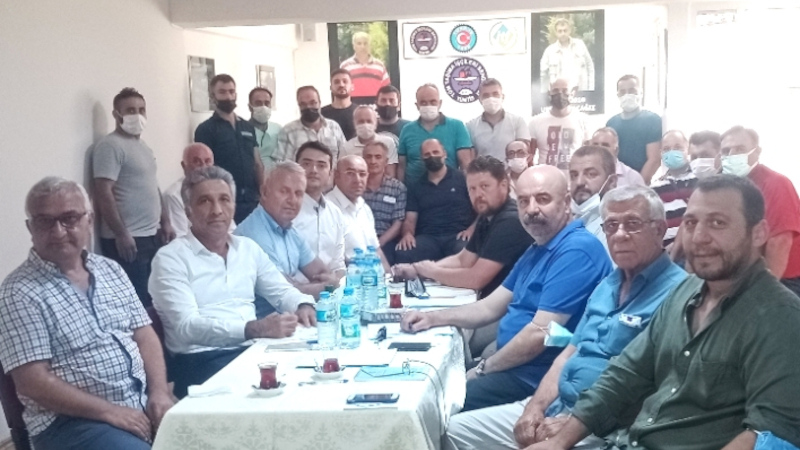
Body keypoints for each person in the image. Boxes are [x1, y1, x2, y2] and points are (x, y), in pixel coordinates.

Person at [523, 175, 800, 450]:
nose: (699, 237)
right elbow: (625, 374)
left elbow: (771, 430)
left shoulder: (779, 318)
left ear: (758, 233)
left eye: (718, 223)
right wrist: (558, 443)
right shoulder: (685, 291)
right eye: (691, 223)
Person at [445, 186, 687, 450]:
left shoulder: (678, 294)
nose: (619, 234)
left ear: (660, 229)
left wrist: (574, 425)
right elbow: (567, 354)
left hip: (603, 427)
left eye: (632, 224)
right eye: (611, 225)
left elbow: (662, 389)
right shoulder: (607, 286)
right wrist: (534, 408)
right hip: (556, 404)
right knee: (453, 431)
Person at [401, 165, 612, 412]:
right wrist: (431, 318)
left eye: (542, 199)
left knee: (431, 406)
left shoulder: (576, 250)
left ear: (566, 203)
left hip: (535, 379)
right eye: (523, 201)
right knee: (427, 382)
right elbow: (489, 307)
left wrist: (483, 369)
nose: (531, 209)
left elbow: (540, 334)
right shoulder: (538, 249)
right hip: (514, 368)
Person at [0, 177, 173, 450]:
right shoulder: (19, 292)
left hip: (138, 403)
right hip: (71, 423)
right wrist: (110, 412)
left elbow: (144, 334)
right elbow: (33, 382)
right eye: (45, 221)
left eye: (69, 218)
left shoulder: (110, 270)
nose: (58, 231)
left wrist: (159, 392)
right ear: (30, 228)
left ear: (88, 221)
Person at [149, 167, 317, 398]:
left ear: (234, 206)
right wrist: (253, 329)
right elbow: (186, 327)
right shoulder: (170, 258)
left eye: (224, 200)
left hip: (252, 351)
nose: (217, 210)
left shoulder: (247, 248)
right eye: (205, 201)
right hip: (202, 360)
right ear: (188, 211)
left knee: (313, 377)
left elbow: (281, 290)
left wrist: (303, 305)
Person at [394, 156, 534, 357]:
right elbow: (463, 259)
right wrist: (419, 270)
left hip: (508, 311)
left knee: (444, 340)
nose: (478, 194)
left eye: (485, 186)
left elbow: (475, 279)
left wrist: (431, 272)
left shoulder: (509, 221)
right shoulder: (487, 217)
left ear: (504, 185)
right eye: (472, 189)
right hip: (488, 303)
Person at [93, 87, 174, 306]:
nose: (137, 115)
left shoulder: (143, 146)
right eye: (130, 110)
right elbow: (103, 191)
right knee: (137, 303)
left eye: (141, 109)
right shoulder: (110, 146)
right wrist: (121, 233)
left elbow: (153, 186)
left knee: (155, 298)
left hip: (151, 235)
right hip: (129, 239)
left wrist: (165, 221)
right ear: (116, 114)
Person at [235, 162, 342, 299]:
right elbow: (286, 292)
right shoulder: (253, 234)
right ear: (265, 192)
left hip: (293, 309)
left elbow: (322, 271)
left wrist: (323, 284)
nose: (292, 200)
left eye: (298, 193)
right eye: (284, 191)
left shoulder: (290, 231)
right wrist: (328, 286)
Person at [720, 126, 800, 296]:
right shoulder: (728, 186)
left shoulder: (776, 184)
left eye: (739, 149)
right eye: (726, 151)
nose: (732, 155)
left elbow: (780, 242)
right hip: (743, 275)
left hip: (782, 279)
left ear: (757, 152)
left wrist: (764, 293)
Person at [194, 74, 266, 225]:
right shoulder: (205, 129)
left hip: (252, 199)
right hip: (225, 200)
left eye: (231, 91)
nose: (228, 96)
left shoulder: (247, 127)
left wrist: (264, 193)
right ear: (212, 97)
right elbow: (205, 169)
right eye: (222, 92)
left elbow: (257, 163)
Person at [395, 139, 476, 264]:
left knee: (466, 251)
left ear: (445, 154)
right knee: (403, 253)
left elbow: (481, 211)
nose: (432, 156)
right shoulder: (416, 186)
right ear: (422, 158)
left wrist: (472, 230)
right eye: (427, 154)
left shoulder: (463, 179)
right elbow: (410, 219)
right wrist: (407, 234)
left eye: (435, 152)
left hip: (458, 235)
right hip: (429, 238)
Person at [397, 84, 474, 184]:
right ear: (417, 105)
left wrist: (468, 187)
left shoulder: (457, 126)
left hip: (450, 187)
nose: (428, 106)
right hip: (414, 190)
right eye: (423, 102)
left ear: (440, 103)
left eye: (433, 102)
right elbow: (401, 166)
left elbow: (465, 164)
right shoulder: (407, 129)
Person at [293, 142, 347, 277]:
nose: (313, 170)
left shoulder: (335, 213)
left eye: (321, 165)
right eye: (306, 164)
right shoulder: (285, 211)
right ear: (295, 168)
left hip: (330, 287)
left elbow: (338, 264)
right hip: (293, 287)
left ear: (330, 173)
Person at [326, 155, 390, 267]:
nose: (357, 180)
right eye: (350, 173)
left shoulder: (364, 207)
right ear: (336, 175)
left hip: (372, 274)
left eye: (362, 174)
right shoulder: (327, 210)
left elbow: (376, 250)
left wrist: (390, 275)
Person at [606, 74, 662, 184]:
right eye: (622, 92)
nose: (627, 95)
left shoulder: (652, 120)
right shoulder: (611, 123)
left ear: (641, 93)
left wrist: (637, 185)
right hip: (616, 183)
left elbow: (654, 159)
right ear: (618, 95)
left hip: (641, 183)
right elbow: (608, 158)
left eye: (632, 91)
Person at [162, 143, 221, 238]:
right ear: (184, 166)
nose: (203, 167)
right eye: (197, 162)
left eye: (208, 161)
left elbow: (230, 229)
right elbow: (180, 237)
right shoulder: (173, 196)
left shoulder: (219, 191)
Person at [275, 86, 347, 163]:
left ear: (319, 103)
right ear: (299, 105)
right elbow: (282, 164)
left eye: (313, 103)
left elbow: (345, 156)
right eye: (303, 104)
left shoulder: (334, 127)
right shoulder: (288, 131)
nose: (308, 107)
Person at [650, 130, 697, 247]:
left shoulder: (699, 181)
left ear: (688, 149)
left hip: (696, 244)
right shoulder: (655, 188)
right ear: (661, 153)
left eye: (677, 147)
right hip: (667, 249)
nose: (672, 152)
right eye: (666, 149)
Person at [362, 141, 407, 264]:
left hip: (385, 240)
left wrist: (378, 243)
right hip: (358, 238)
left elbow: (397, 224)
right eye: (369, 157)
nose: (373, 161)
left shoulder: (398, 188)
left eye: (378, 157)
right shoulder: (355, 185)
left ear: (386, 161)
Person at [529, 79, 589, 170]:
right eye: (555, 90)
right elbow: (529, 156)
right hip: (545, 176)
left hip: (573, 176)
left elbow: (589, 154)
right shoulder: (535, 122)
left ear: (572, 93)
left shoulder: (583, 120)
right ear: (549, 93)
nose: (560, 94)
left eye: (565, 91)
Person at [466, 79, 530, 161]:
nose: (491, 98)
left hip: (510, 169)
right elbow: (470, 159)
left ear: (502, 97)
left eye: (495, 94)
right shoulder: (470, 126)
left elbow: (524, 153)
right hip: (483, 169)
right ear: (480, 100)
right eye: (486, 95)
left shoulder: (518, 122)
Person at [568, 145, 618, 249]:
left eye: (591, 174)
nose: (579, 182)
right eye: (574, 175)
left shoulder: (617, 231)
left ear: (611, 182)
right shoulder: (563, 224)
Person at [342, 105, 398, 178]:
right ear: (354, 123)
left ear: (376, 122)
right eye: (361, 121)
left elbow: (390, 173)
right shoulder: (346, 148)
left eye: (369, 121)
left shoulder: (388, 142)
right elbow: (344, 175)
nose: (365, 125)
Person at [539, 18, 595, 92]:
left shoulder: (580, 45)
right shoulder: (549, 51)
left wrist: (591, 89)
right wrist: (544, 94)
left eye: (565, 30)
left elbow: (590, 66)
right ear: (556, 32)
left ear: (569, 31)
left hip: (580, 92)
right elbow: (543, 75)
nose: (563, 34)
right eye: (560, 31)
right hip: (560, 95)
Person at [339, 31, 390, 101]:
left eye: (365, 43)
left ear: (370, 45)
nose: (362, 47)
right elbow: (340, 88)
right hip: (353, 104)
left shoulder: (380, 66)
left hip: (375, 104)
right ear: (354, 46)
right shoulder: (345, 66)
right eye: (359, 43)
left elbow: (386, 89)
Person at [248, 86, 283, 171]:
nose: (263, 107)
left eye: (267, 103)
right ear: (250, 107)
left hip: (276, 176)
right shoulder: (243, 130)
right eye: (258, 103)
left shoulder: (278, 129)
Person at [321, 69, 357, 140]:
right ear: (331, 88)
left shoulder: (360, 112)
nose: (341, 85)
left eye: (345, 81)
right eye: (336, 82)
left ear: (352, 86)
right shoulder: (321, 114)